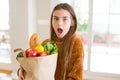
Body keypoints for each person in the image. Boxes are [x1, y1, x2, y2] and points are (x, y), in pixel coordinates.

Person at [18, 3, 84, 80]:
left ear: (72, 22)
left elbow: (75, 77)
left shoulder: (76, 43)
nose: (59, 23)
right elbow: (35, 66)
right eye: (56, 18)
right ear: (52, 21)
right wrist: (21, 71)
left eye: (65, 19)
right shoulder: (46, 43)